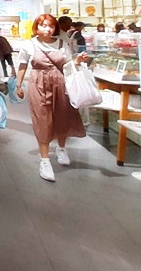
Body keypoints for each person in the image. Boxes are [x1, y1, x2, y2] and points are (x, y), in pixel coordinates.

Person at [14, 13, 89, 182]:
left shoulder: (62, 44)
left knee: (62, 114)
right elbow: (23, 64)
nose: (48, 29)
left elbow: (67, 65)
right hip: (38, 83)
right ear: (36, 27)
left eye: (51, 25)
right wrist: (18, 85)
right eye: (43, 25)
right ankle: (45, 160)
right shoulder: (29, 44)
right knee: (42, 119)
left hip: (60, 82)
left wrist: (77, 61)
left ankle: (61, 148)